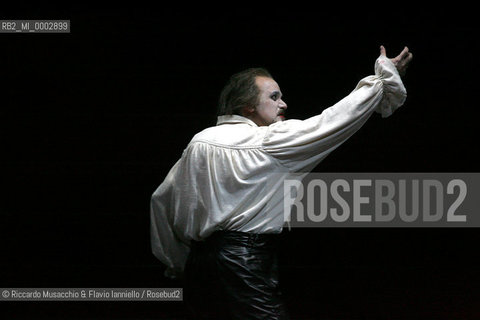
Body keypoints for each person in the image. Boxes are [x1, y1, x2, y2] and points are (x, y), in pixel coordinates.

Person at [150, 45, 413, 319]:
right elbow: (332, 121)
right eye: (274, 97)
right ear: (248, 105)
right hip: (244, 263)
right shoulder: (268, 141)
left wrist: (177, 264)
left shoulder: (199, 142)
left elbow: (162, 202)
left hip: (199, 269)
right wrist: (381, 82)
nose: (283, 104)